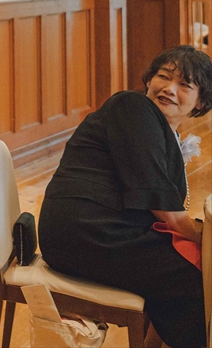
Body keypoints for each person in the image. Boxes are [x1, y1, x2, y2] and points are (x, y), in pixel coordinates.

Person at [39, 46, 211, 348]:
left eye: (184, 84)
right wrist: (205, 238)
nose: (169, 89)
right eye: (163, 76)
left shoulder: (162, 132)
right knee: (198, 275)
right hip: (84, 232)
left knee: (194, 266)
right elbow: (164, 208)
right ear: (149, 80)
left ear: (201, 103)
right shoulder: (132, 106)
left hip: (103, 230)